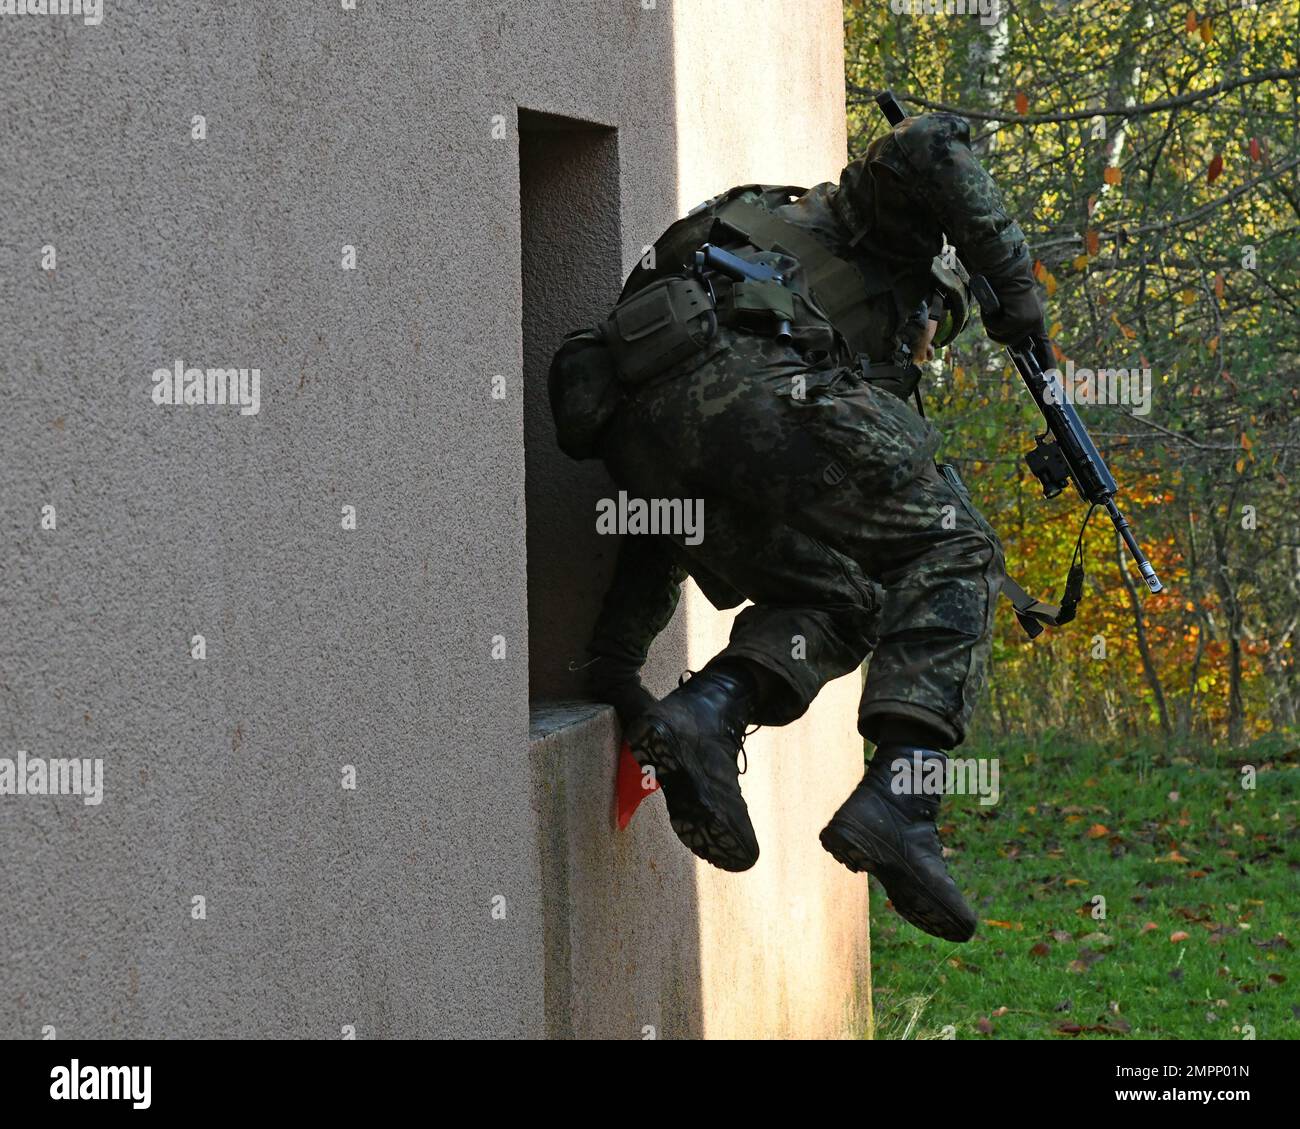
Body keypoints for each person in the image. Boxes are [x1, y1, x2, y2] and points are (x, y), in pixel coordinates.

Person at [548, 110, 1047, 943]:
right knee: (956, 544)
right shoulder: (862, 225)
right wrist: (1020, 300)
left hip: (654, 436)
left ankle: (708, 712)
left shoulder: (763, 250)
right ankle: (904, 797)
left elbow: (669, 516)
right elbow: (931, 144)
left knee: (848, 595)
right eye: (931, 317)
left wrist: (618, 667)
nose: (924, 339)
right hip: (756, 387)